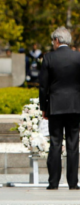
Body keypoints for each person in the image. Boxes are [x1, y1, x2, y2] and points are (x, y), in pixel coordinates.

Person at [39, 27, 80, 190]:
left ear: (57, 40)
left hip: (55, 106)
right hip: (75, 106)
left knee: (55, 144)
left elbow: (43, 86)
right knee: (73, 144)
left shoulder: (48, 58)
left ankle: (53, 182)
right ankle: (73, 183)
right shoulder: (78, 57)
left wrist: (44, 107)